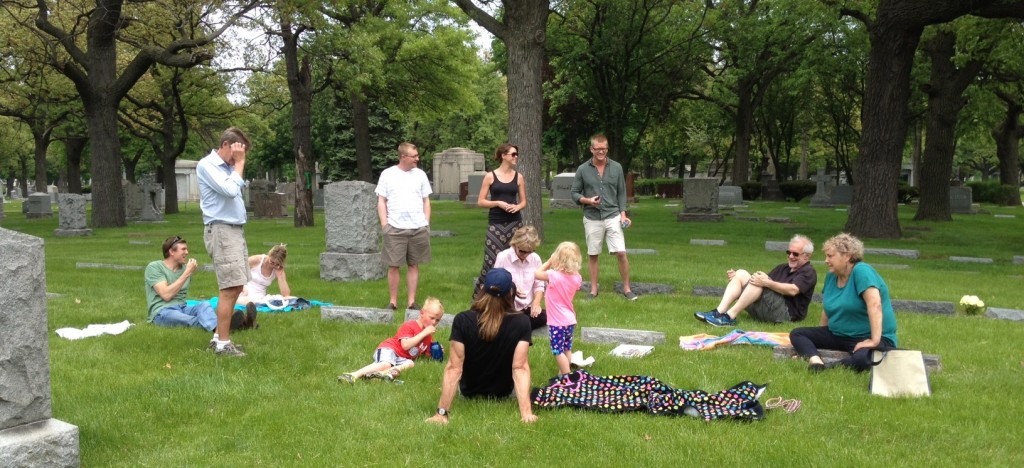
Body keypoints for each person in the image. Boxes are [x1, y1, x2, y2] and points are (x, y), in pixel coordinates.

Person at [426, 268, 537, 425]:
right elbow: (520, 368)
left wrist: (441, 414)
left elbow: (454, 368)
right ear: (509, 293)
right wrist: (527, 414)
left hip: (468, 392)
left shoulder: (462, 320)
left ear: (483, 289)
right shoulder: (522, 322)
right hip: (504, 392)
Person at [789, 233, 898, 372]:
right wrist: (822, 335)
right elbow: (827, 309)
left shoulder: (861, 270)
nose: (826, 260)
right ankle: (815, 360)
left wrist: (874, 341)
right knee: (797, 334)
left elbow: (874, 305)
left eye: (830, 256)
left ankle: (827, 368)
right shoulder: (831, 276)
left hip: (869, 336)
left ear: (847, 256)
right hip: (840, 335)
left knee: (862, 359)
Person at [196, 127, 252, 357]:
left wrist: (235, 165)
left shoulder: (228, 168)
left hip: (233, 231)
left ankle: (219, 337)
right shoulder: (207, 165)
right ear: (227, 145)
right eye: (237, 152)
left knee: (237, 285)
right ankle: (222, 345)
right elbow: (229, 191)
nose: (239, 158)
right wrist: (239, 165)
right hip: (221, 230)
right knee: (229, 288)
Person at [695, 234, 818, 327]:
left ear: (807, 256)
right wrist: (737, 280)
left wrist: (766, 282)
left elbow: (793, 290)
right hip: (768, 309)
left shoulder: (808, 272)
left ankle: (729, 316)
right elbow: (761, 288)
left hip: (786, 315)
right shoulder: (782, 267)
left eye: (795, 254)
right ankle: (718, 312)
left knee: (758, 280)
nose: (791, 256)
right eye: (788, 252)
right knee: (741, 273)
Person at [570, 133, 636, 301]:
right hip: (592, 217)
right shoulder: (583, 169)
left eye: (604, 149)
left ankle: (627, 288)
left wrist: (623, 215)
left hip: (613, 215)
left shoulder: (617, 167)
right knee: (593, 254)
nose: (601, 152)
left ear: (607, 148)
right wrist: (587, 201)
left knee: (621, 252)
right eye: (597, 149)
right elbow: (574, 193)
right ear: (591, 149)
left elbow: (622, 192)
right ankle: (593, 290)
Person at [145, 236, 254, 335]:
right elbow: (166, 295)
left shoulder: (184, 269)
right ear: (171, 252)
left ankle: (231, 326)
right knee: (189, 320)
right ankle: (237, 326)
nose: (187, 252)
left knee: (204, 306)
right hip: (163, 311)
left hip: (183, 307)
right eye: (183, 249)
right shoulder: (155, 267)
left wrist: (186, 272)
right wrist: (187, 273)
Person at [376, 142, 432, 311]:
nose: (417, 159)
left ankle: (411, 302)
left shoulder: (420, 175)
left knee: (414, 264)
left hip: (418, 228)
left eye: (417, 155)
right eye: (414, 156)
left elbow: (426, 200)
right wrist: (385, 225)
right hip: (395, 228)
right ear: (403, 157)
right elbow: (381, 201)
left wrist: (426, 223)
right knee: (393, 265)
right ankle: (392, 302)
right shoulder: (388, 174)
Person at [338, 297, 444, 383]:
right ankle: (353, 375)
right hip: (389, 349)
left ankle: (381, 374)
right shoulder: (410, 325)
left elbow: (424, 352)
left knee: (410, 363)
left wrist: (437, 350)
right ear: (422, 313)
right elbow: (405, 346)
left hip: (401, 358)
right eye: (432, 318)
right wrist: (423, 333)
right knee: (386, 364)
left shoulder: (428, 336)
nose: (434, 322)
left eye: (438, 320)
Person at [474, 143, 527, 295]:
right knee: (491, 261)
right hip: (496, 223)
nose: (516, 157)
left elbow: (523, 201)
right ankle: (482, 298)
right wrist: (498, 203)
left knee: (515, 259)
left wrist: (518, 207)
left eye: (517, 154)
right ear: (503, 156)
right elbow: (481, 201)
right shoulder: (490, 176)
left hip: (515, 224)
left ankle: (512, 295)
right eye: (513, 154)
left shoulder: (519, 177)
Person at [535, 242, 583, 376]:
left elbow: (537, 274)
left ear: (558, 259)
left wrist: (549, 262)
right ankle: (563, 373)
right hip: (570, 320)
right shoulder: (577, 277)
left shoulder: (553, 275)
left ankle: (567, 378)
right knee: (567, 349)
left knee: (557, 351)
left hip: (557, 322)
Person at [492, 225, 547, 329]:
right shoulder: (503, 257)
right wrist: (513, 290)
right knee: (507, 318)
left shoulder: (535, 259)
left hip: (527, 307)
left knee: (544, 317)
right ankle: (518, 326)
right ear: (515, 244)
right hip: (507, 306)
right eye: (522, 251)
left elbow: (539, 285)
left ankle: (516, 326)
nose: (525, 254)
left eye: (529, 251)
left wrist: (536, 303)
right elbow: (495, 284)